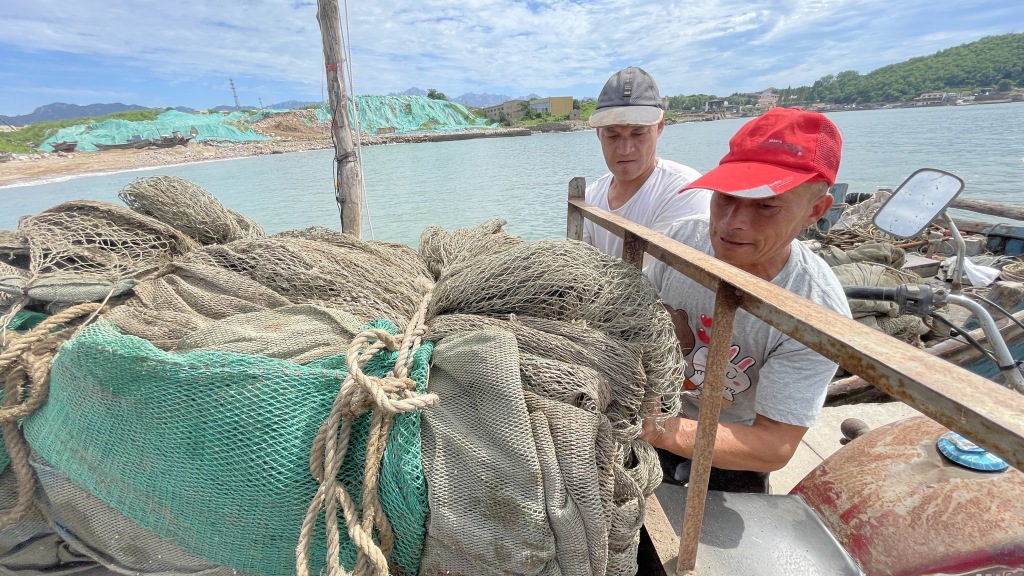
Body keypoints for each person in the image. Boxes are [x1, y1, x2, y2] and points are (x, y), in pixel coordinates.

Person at [641, 107, 853, 493]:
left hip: (730, 446)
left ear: (815, 211)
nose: (731, 223)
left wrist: (659, 430)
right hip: (654, 411)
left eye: (765, 206)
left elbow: (773, 445)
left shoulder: (814, 310)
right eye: (724, 198)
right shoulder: (680, 243)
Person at [582, 67, 711, 258]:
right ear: (598, 133)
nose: (625, 148)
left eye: (638, 133)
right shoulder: (591, 195)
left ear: (659, 127)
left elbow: (654, 278)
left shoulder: (685, 191)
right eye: (612, 134)